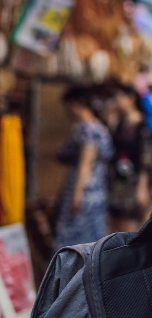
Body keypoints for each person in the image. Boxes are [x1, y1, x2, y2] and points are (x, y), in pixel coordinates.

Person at [53, 86, 115, 247]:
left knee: (74, 239)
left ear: (74, 104)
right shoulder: (99, 127)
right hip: (97, 189)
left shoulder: (86, 128)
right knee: (91, 240)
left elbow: (85, 164)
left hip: (84, 191)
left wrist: (77, 193)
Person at [107, 82, 152, 232]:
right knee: (115, 221)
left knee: (129, 223)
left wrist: (142, 186)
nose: (118, 101)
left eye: (121, 97)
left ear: (131, 98)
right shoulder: (117, 122)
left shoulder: (142, 125)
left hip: (133, 180)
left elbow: (146, 158)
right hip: (117, 178)